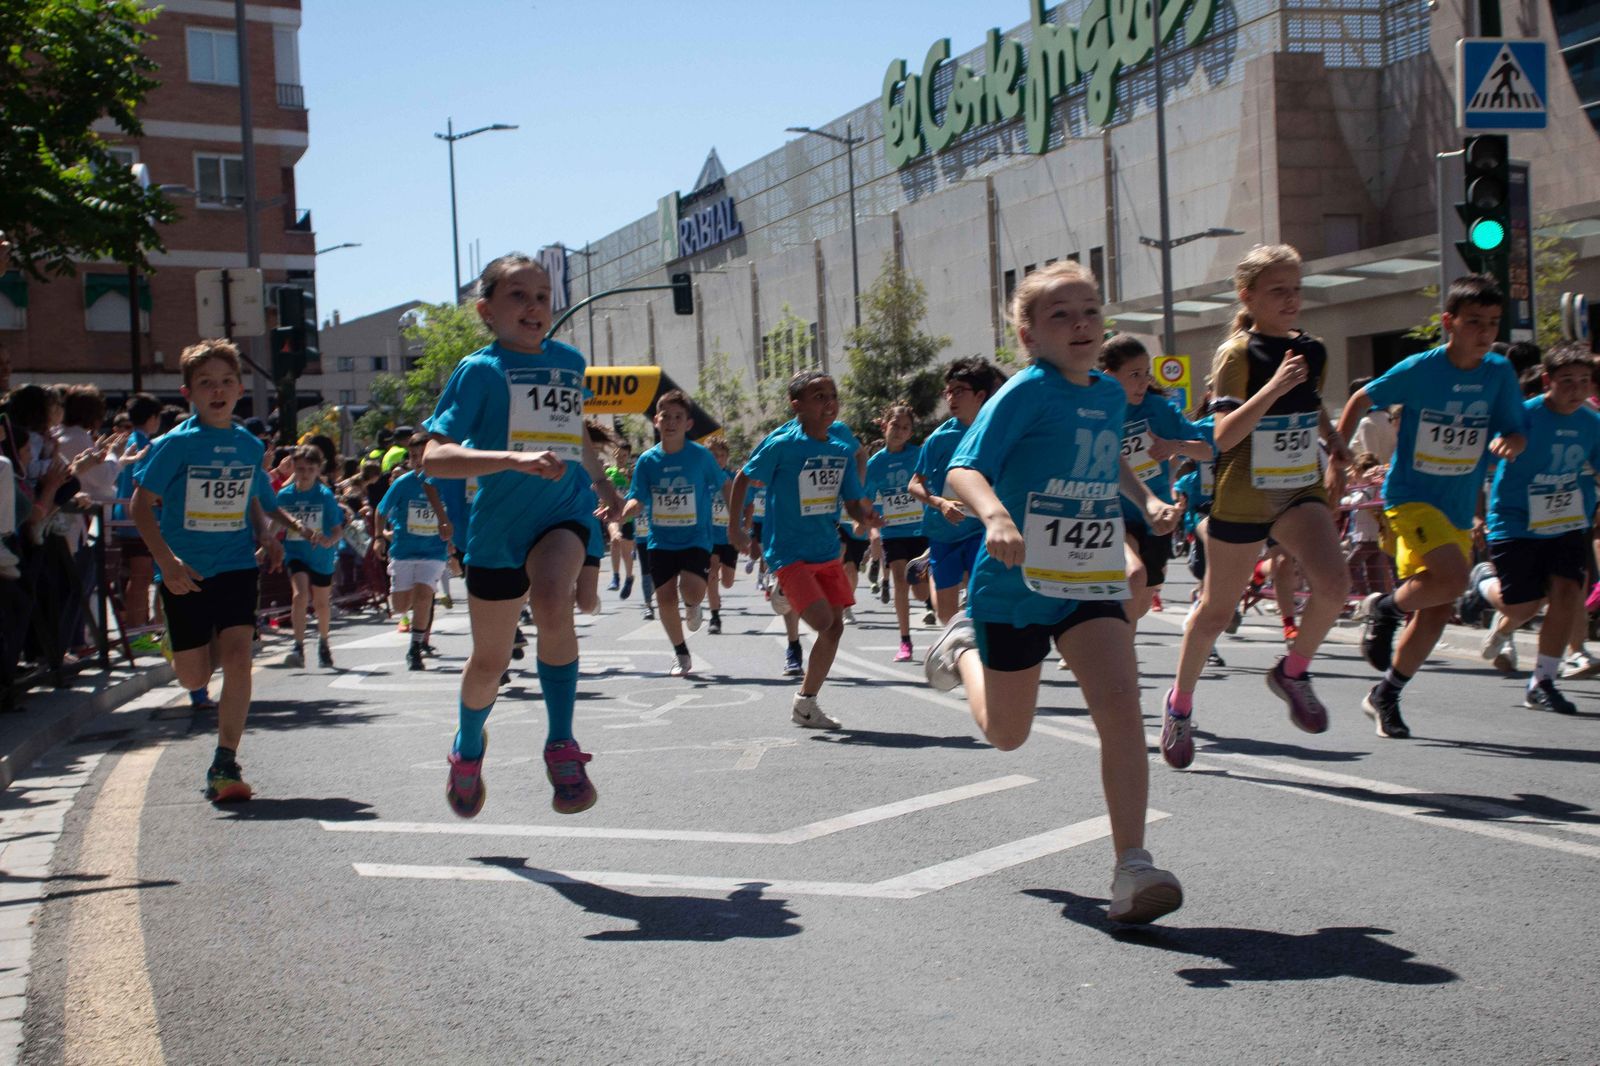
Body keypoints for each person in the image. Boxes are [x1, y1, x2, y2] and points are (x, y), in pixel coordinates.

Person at [919, 260, 1184, 925]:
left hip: (1087, 579)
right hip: (1014, 581)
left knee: (1122, 711)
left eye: (1090, 310)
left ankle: (1132, 866)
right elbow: (962, 468)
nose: (1081, 324)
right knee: (1008, 734)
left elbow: (1106, 455)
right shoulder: (1025, 393)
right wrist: (997, 516)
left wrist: (1146, 498)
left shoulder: (1102, 392)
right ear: (1029, 333)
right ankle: (963, 651)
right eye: (1061, 315)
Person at [423, 253, 624, 819]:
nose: (534, 305)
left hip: (561, 514)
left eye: (542, 295)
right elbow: (436, 457)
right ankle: (467, 748)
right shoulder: (479, 371)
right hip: (498, 532)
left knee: (554, 599)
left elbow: (572, 436)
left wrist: (603, 485)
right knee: (489, 662)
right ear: (487, 311)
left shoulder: (568, 362)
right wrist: (510, 459)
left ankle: (561, 744)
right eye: (518, 295)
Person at [1161, 244, 1352, 769]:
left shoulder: (1312, 349)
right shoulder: (1237, 354)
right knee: (1216, 613)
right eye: (1278, 291)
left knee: (1336, 585)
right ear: (1248, 296)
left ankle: (1292, 672)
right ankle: (1179, 705)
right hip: (1243, 492)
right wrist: (1271, 387)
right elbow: (1223, 433)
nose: (1291, 299)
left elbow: (1309, 403)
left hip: (1297, 490)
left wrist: (1333, 440)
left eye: (1296, 288)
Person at [1338, 274, 1527, 738]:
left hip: (1458, 506)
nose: (1485, 333)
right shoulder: (1422, 368)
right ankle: (1383, 608)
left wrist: (1512, 441)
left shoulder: (1498, 372)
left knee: (1438, 607)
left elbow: (1515, 429)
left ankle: (1386, 694)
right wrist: (1335, 459)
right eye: (1474, 322)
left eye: (1493, 324)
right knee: (1454, 580)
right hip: (1411, 499)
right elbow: (1362, 397)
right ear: (1449, 323)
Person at [128, 340, 310, 801]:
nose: (217, 391)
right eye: (206, 383)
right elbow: (140, 507)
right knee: (194, 677)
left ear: (240, 388)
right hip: (184, 570)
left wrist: (274, 533)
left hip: (233, 565)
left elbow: (259, 500)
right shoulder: (174, 445)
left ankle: (225, 762)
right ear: (188, 392)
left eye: (226, 382)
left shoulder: (249, 445)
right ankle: (179, 641)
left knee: (238, 658)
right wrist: (166, 562)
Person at [729, 372, 883, 728]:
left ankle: (806, 702)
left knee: (834, 630)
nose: (829, 402)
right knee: (823, 620)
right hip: (788, 550)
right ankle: (781, 588)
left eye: (832, 395)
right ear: (796, 405)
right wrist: (735, 527)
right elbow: (741, 478)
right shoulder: (782, 445)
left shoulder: (840, 449)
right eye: (818, 396)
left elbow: (852, 502)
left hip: (826, 548)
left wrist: (867, 515)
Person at [1468, 344, 1600, 715]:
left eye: (1584, 381)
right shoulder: (1522, 415)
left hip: (1568, 522)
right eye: (1567, 381)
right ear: (1547, 381)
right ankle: (1481, 579)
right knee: (1522, 605)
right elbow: (1482, 460)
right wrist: (1476, 514)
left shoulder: (1592, 423)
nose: (1576, 389)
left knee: (1567, 592)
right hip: (1516, 521)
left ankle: (1543, 680)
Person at [1099, 334, 1210, 625]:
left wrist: (1175, 446)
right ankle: (1114, 650)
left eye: (1146, 373)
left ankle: (1108, 636)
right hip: (1112, 514)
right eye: (1134, 374)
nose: (1143, 382)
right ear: (1109, 375)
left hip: (1156, 518)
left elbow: (1208, 450)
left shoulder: (1158, 409)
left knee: (1143, 598)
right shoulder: (1096, 410)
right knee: (1132, 574)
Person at [620, 389, 729, 676]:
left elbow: (724, 485)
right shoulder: (647, 461)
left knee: (691, 591)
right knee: (665, 599)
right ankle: (681, 653)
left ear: (688, 424)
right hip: (660, 540)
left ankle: (693, 605)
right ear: (656, 420)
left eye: (678, 417)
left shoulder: (701, 457)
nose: (671, 422)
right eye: (665, 416)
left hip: (696, 537)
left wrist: (734, 521)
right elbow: (637, 497)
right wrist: (624, 511)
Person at [909, 357, 1008, 624]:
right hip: (944, 532)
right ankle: (930, 566)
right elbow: (914, 485)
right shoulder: (939, 439)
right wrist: (940, 503)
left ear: (980, 395)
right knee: (946, 617)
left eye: (959, 391)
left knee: (981, 604)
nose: (951, 398)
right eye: (948, 392)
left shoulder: (997, 434)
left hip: (981, 530)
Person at [376, 432, 453, 670]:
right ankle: (413, 626)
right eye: (413, 455)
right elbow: (381, 511)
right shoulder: (402, 483)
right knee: (400, 605)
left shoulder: (446, 482)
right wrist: (379, 537)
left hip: (433, 552)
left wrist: (453, 540)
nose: (418, 460)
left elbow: (456, 512)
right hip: (403, 551)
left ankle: (415, 647)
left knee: (423, 596)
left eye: (422, 455)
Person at [864, 403, 926, 661]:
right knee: (900, 580)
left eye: (905, 428)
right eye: (895, 426)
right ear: (884, 426)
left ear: (911, 432)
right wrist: (873, 531)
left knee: (921, 591)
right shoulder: (875, 464)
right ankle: (905, 641)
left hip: (922, 529)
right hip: (894, 531)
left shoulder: (919, 454)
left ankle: (932, 597)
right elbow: (866, 502)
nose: (899, 431)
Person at [277, 444, 345, 669]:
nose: (304, 474)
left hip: (321, 557)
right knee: (300, 595)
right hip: (296, 553)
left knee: (321, 604)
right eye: (300, 469)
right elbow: (275, 522)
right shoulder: (285, 496)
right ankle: (298, 645)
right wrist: (264, 547)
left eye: (309, 469)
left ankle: (324, 642)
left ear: (318, 470)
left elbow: (337, 531)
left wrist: (329, 540)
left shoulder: (324, 496)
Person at [112, 393, 164, 652]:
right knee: (141, 576)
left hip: (124, 518)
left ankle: (138, 631)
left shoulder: (129, 441)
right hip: (138, 520)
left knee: (139, 576)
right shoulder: (145, 445)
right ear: (153, 418)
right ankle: (136, 635)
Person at [705, 435, 739, 634]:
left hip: (728, 535)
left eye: (721, 455)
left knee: (727, 581)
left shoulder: (733, 479)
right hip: (708, 536)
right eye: (713, 455)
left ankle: (717, 598)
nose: (717, 459)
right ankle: (715, 616)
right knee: (711, 571)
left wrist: (743, 527)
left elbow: (747, 503)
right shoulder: (701, 478)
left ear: (727, 458)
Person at [605, 441, 636, 598]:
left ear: (628, 457)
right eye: (619, 454)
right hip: (613, 515)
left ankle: (629, 577)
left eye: (625, 455)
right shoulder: (609, 472)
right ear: (614, 453)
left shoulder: (632, 474)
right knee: (615, 540)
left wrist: (629, 480)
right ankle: (616, 576)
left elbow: (637, 493)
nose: (621, 457)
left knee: (626, 552)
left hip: (628, 516)